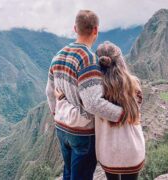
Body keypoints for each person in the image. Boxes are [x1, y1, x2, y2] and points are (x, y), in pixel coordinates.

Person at [46, 10, 126, 180]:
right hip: (82, 133)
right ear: (96, 30)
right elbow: (93, 103)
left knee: (68, 173)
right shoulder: (88, 59)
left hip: (61, 127)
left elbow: (49, 92)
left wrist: (58, 112)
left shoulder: (58, 55)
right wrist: (122, 114)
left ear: (75, 28)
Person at [54, 41, 145, 180]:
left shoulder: (93, 90)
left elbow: (85, 106)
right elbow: (136, 111)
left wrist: (62, 97)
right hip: (132, 149)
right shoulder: (134, 85)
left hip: (108, 151)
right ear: (120, 61)